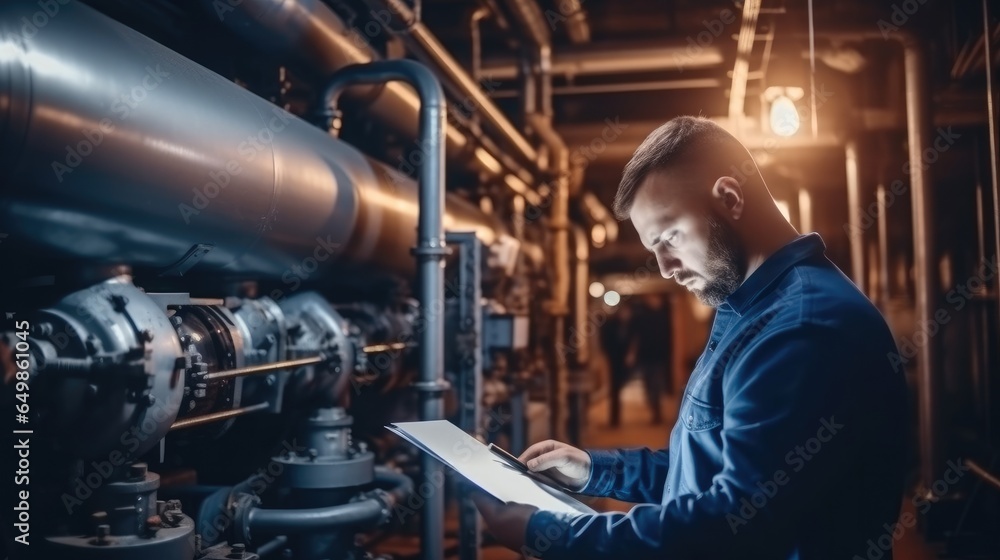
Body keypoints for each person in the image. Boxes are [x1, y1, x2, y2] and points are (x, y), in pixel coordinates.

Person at [472, 116, 908, 559]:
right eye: (652, 249)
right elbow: (708, 476)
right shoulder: (749, 308)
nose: (664, 267)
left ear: (730, 198)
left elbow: (735, 522)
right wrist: (593, 472)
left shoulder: (799, 330)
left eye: (669, 237)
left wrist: (552, 533)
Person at [627, 294, 672, 424]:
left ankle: (657, 412)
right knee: (649, 385)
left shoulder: (663, 317)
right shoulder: (642, 317)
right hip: (646, 356)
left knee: (656, 385)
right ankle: (654, 410)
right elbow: (635, 337)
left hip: (658, 356)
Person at [599, 302, 632, 427]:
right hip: (614, 360)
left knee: (617, 389)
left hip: (622, 361)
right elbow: (606, 343)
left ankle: (615, 418)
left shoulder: (628, 325)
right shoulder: (612, 325)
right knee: (614, 390)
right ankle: (614, 419)